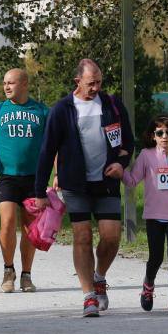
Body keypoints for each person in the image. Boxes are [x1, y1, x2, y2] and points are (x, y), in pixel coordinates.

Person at [34, 59, 134, 317]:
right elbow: (47, 151)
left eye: (99, 82)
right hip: (75, 183)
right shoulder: (62, 109)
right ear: (78, 81)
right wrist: (39, 192)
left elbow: (127, 142)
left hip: (106, 182)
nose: (96, 88)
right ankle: (88, 295)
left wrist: (121, 164)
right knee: (82, 236)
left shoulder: (112, 105)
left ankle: (99, 276)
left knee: (111, 237)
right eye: (91, 83)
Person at [0, 69, 49, 293]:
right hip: (5, 176)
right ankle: (8, 270)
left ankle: (26, 275)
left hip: (34, 178)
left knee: (29, 227)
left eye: (11, 83)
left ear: (24, 84)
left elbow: (51, 146)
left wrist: (57, 174)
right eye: (4, 83)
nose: (6, 87)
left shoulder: (42, 111)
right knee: (7, 222)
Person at [122, 114, 168, 316]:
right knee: (156, 257)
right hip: (154, 215)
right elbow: (133, 181)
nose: (164, 136)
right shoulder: (146, 155)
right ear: (153, 136)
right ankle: (148, 284)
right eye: (159, 132)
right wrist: (120, 171)